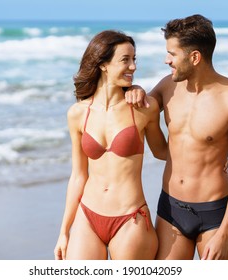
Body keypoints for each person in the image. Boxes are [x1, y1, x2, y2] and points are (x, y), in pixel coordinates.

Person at [126, 14, 228, 260]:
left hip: (215, 215)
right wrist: (136, 90)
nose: (167, 60)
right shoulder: (167, 86)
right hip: (170, 211)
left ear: (194, 57)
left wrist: (224, 233)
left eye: (172, 54)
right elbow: (146, 116)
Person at [54, 30, 167, 260]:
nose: (133, 67)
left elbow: (163, 152)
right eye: (125, 60)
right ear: (103, 64)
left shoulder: (144, 108)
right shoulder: (77, 114)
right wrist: (64, 231)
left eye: (134, 59)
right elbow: (78, 176)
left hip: (130, 218)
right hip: (87, 216)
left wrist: (214, 150)